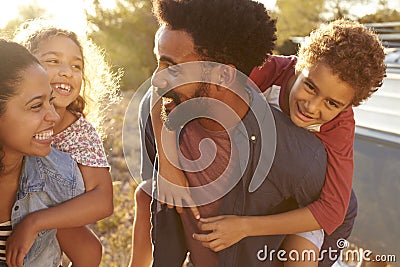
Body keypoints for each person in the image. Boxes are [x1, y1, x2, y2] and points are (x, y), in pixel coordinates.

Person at [133, 0, 357, 266]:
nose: (158, 80)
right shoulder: (160, 111)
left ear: (223, 76)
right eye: (161, 63)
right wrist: (169, 165)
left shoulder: (304, 156)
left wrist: (247, 227)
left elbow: (338, 211)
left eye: (173, 68)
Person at [192, 19, 386, 266]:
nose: (312, 107)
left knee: (300, 257)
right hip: (258, 186)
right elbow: (197, 92)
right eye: (310, 86)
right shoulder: (268, 71)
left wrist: (244, 227)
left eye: (332, 104)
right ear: (300, 65)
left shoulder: (340, 125)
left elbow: (333, 209)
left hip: (303, 207)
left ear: (348, 106)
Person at [12, 19, 121, 266]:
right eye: (53, 61)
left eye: (76, 66)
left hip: (44, 224)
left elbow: (103, 200)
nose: (67, 72)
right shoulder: (9, 116)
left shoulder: (80, 132)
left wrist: (37, 221)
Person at [0, 38, 83, 267]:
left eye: (51, 101)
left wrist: (37, 222)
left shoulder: (58, 176)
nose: (54, 117)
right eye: (37, 106)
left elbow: (88, 252)